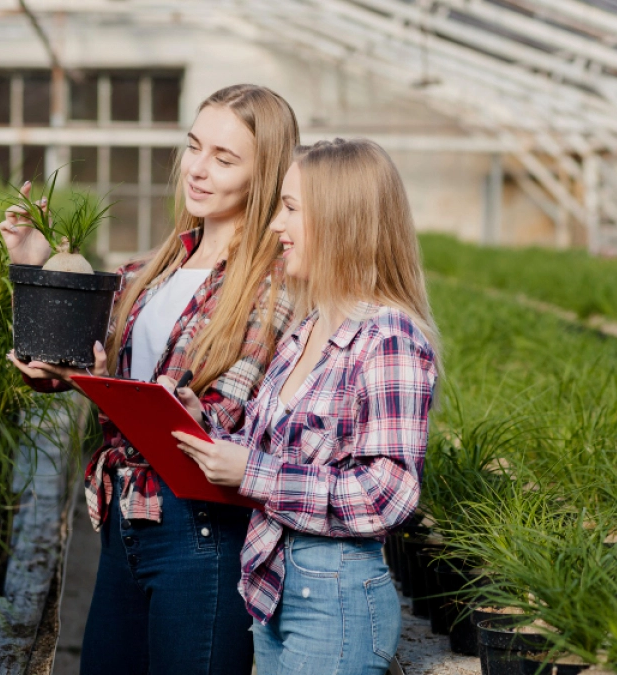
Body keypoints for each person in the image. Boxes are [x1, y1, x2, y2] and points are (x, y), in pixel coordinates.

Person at [0, 84, 298, 675]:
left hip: (201, 533)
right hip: (125, 522)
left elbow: (217, 424)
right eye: (194, 147)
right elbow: (88, 363)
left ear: (264, 176)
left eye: (224, 157)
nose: (198, 169)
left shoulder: (271, 287)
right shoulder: (151, 269)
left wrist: (117, 392)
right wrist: (35, 265)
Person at [173, 138, 440, 675]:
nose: (275, 224)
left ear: (341, 220)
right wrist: (208, 432)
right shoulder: (309, 328)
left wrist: (254, 473)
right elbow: (275, 454)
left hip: (335, 594)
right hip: (278, 585)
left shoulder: (388, 336)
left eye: (291, 208)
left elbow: (389, 494)